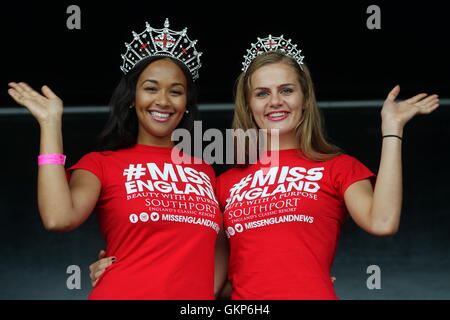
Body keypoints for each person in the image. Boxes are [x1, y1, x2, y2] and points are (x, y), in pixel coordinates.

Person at [89, 35, 439, 300]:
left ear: (304, 99)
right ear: (249, 104)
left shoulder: (336, 166)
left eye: (286, 90)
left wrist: (392, 130)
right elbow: (215, 279)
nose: (275, 101)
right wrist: (125, 272)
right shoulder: (224, 181)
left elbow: (382, 221)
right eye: (262, 93)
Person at [7, 19, 223, 300]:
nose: (163, 101)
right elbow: (58, 217)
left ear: (186, 104)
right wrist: (50, 124)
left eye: (176, 91)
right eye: (151, 88)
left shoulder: (204, 170)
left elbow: (221, 252)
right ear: (132, 98)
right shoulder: (101, 164)